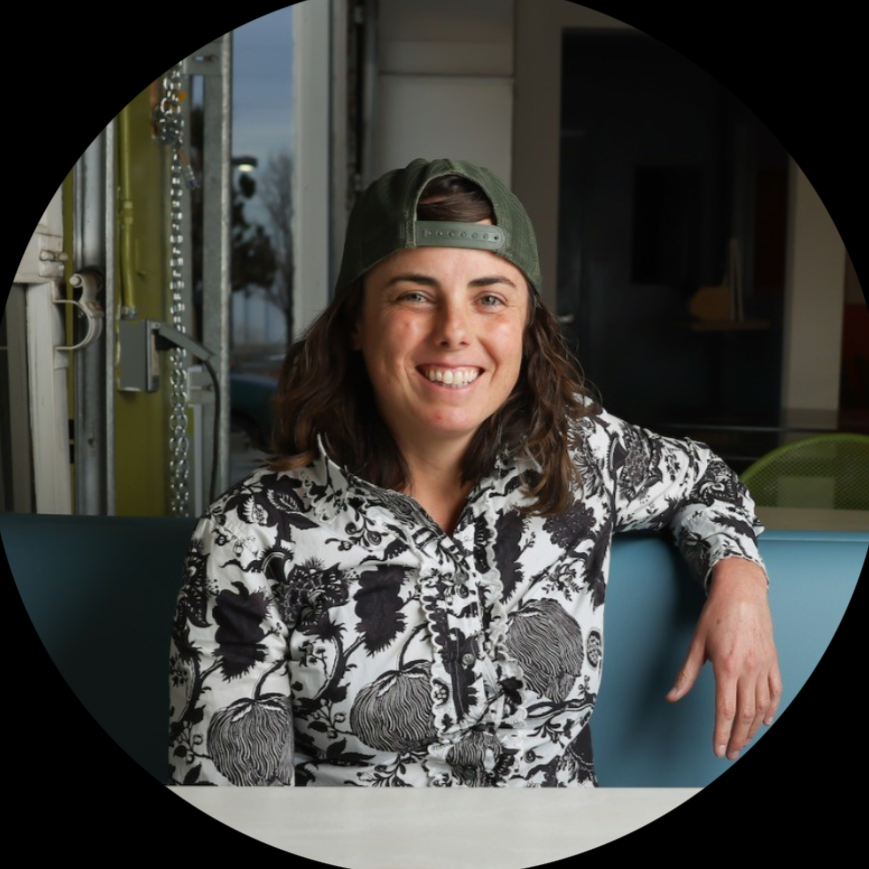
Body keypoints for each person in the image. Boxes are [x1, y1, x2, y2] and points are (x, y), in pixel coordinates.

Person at [168, 157, 780, 787]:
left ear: (526, 326)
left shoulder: (582, 455)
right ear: (355, 323)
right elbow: (236, 800)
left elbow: (706, 479)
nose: (454, 332)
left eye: (489, 299)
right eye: (415, 295)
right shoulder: (251, 531)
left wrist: (739, 585)